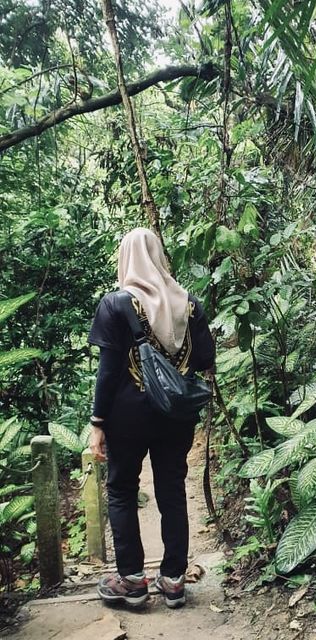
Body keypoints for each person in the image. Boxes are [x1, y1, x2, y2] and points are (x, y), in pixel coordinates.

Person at [88, 228, 215, 608]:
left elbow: (109, 372)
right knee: (172, 490)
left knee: (123, 490)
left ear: (126, 258)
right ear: (159, 256)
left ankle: (131, 581)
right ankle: (174, 579)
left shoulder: (115, 304)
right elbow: (205, 359)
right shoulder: (189, 303)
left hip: (127, 416)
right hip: (176, 414)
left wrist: (97, 423)